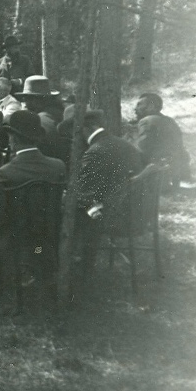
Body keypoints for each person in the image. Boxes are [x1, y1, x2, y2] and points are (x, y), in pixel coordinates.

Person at [0, 110, 66, 251]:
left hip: (12, 239)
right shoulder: (58, 166)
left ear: (13, 139)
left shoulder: (5, 173)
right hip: (46, 235)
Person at [70, 110, 144, 285]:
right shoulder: (123, 145)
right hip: (136, 211)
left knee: (60, 210)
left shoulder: (96, 151)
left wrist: (66, 195)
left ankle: (77, 269)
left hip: (112, 217)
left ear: (87, 128)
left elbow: (85, 195)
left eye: (78, 131)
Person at [131, 92, 191, 183]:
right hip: (176, 170)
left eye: (140, 105)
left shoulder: (147, 121)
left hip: (158, 175)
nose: (135, 109)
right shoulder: (169, 121)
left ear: (151, 107)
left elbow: (142, 151)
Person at [14, 75, 64, 157]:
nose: (24, 103)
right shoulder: (58, 113)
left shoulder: (39, 121)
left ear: (35, 100)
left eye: (26, 98)